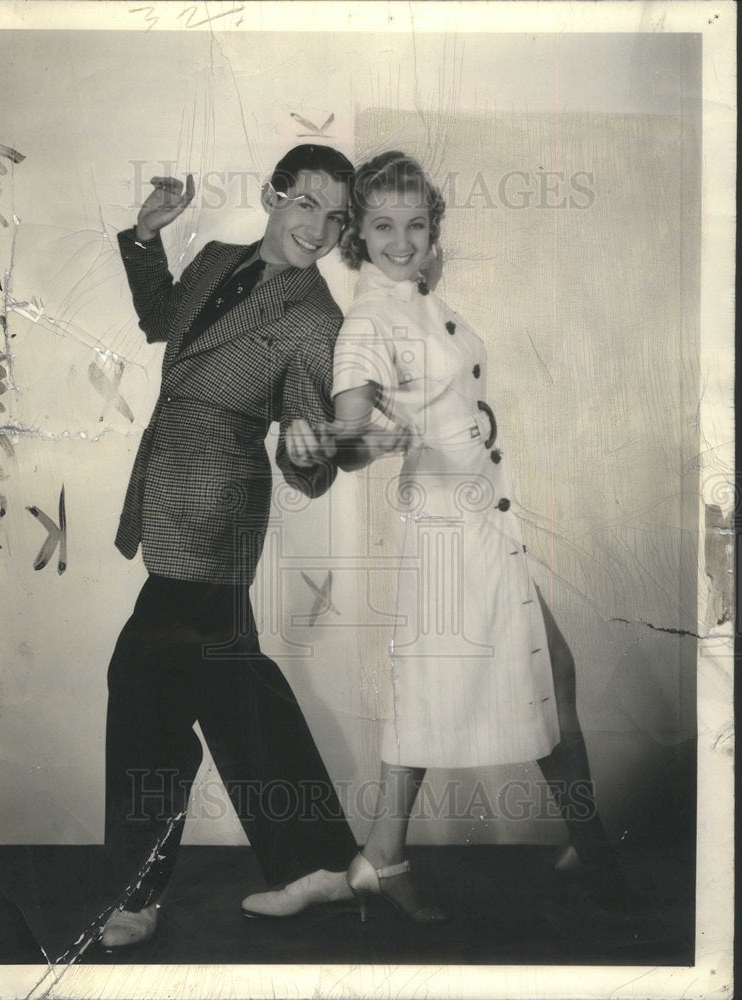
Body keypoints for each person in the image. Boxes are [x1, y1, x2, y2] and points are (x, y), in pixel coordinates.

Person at [322, 150, 633, 921]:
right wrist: (372, 444)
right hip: (447, 531)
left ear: (433, 229)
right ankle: (579, 848)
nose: (402, 240)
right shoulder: (368, 317)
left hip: (481, 518)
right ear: (358, 232)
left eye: (416, 223)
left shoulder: (416, 296)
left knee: (511, 677)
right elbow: (350, 432)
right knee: (496, 680)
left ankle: (385, 856)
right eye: (383, 225)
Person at [99, 144, 360, 948]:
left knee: (144, 681)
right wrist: (148, 240)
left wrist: (312, 456)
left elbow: (308, 446)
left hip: (217, 508)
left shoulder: (317, 319)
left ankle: (138, 893)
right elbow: (161, 325)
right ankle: (317, 860)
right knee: (229, 682)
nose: (319, 227)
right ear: (273, 195)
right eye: (307, 203)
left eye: (336, 214)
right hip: (165, 484)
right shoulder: (214, 257)